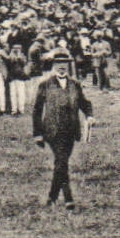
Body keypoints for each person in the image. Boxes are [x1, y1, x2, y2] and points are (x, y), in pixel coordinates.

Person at [31, 49, 95, 208]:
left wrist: (89, 115)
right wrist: (37, 134)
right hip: (52, 130)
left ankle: (52, 197)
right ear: (53, 65)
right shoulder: (45, 85)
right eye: (58, 64)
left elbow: (84, 103)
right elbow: (37, 110)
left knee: (62, 163)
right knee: (61, 162)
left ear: (68, 66)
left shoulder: (75, 84)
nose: (61, 67)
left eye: (64, 64)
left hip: (71, 130)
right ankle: (68, 198)